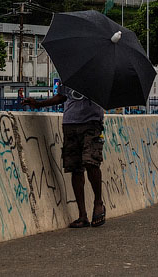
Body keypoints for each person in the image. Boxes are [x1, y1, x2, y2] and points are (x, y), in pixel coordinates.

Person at [23, 85, 106, 228]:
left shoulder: (98, 74)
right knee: (75, 167)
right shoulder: (68, 73)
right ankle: (82, 215)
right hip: (70, 123)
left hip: (92, 123)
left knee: (91, 162)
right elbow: (61, 96)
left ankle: (98, 202)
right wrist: (39, 104)